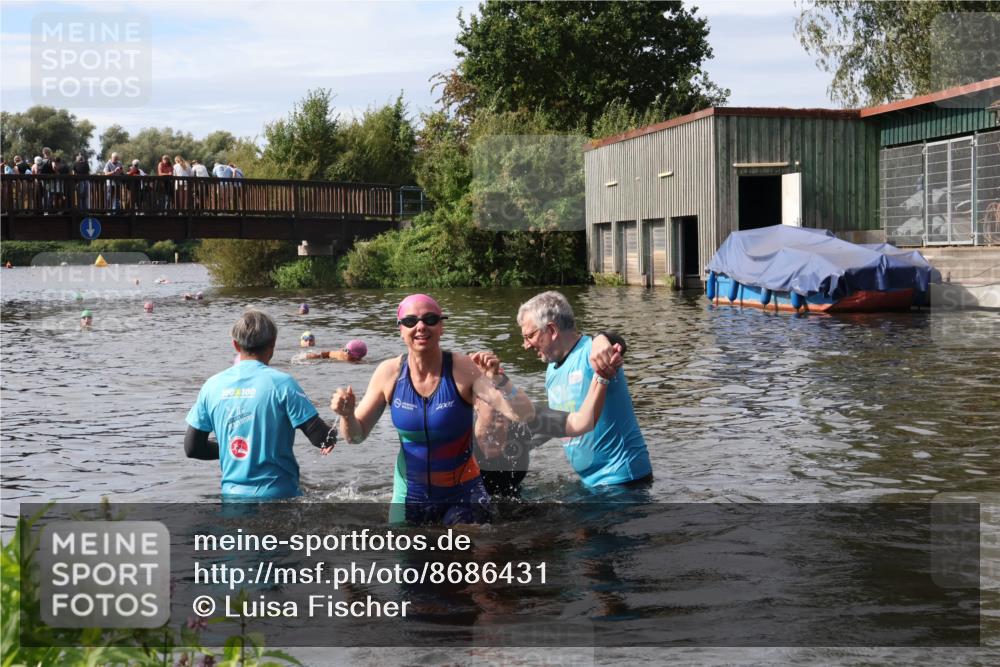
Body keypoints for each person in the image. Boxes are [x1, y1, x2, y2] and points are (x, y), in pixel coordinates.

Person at [330, 294, 538, 525]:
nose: (420, 326)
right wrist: (347, 416)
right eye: (410, 321)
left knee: (471, 552)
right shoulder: (388, 374)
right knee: (404, 558)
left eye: (430, 319)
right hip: (409, 496)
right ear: (401, 330)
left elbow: (524, 414)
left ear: (441, 327)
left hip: (464, 494)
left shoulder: (463, 369)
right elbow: (355, 437)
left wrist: (499, 379)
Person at [184, 310, 338, 499]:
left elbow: (192, 448)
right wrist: (344, 419)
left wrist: (235, 449)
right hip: (280, 498)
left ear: (235, 345)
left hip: (232, 498)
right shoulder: (282, 384)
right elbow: (323, 439)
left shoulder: (211, 386)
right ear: (273, 344)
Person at [517, 291, 651, 488]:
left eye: (529, 336)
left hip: (623, 480)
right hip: (591, 483)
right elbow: (565, 421)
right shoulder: (551, 371)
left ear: (552, 330)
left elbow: (616, 344)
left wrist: (603, 338)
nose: (525, 345)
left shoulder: (592, 352)